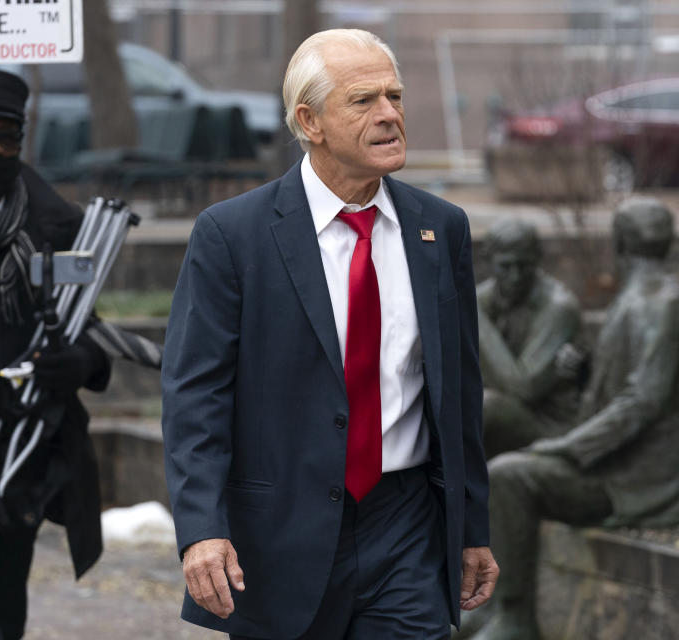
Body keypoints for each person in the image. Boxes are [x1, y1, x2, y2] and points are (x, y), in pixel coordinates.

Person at [161, 29, 497, 640]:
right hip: (280, 532)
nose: (390, 114)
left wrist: (472, 527)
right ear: (309, 121)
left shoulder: (439, 228)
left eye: (394, 96)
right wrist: (202, 529)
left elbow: (460, 392)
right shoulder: (232, 235)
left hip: (406, 526)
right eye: (363, 100)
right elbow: (195, 396)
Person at [469, 197, 679, 640]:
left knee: (510, 477)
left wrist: (569, 447)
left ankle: (517, 621)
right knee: (507, 469)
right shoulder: (643, 298)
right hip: (616, 465)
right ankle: (494, 609)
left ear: (618, 244)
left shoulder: (660, 304)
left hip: (640, 483)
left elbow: (642, 402)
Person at [0, 70, 112, 640]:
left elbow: (90, 330)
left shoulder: (59, 224)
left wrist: (81, 362)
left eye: (7, 135)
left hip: (17, 443)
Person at [477, 219, 584, 458]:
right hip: (507, 409)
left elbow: (524, 387)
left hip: (550, 423)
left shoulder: (558, 307)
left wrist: (476, 321)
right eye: (505, 267)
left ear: (537, 261)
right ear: (489, 262)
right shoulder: (483, 300)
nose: (515, 277)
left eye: (524, 266)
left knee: (484, 407)